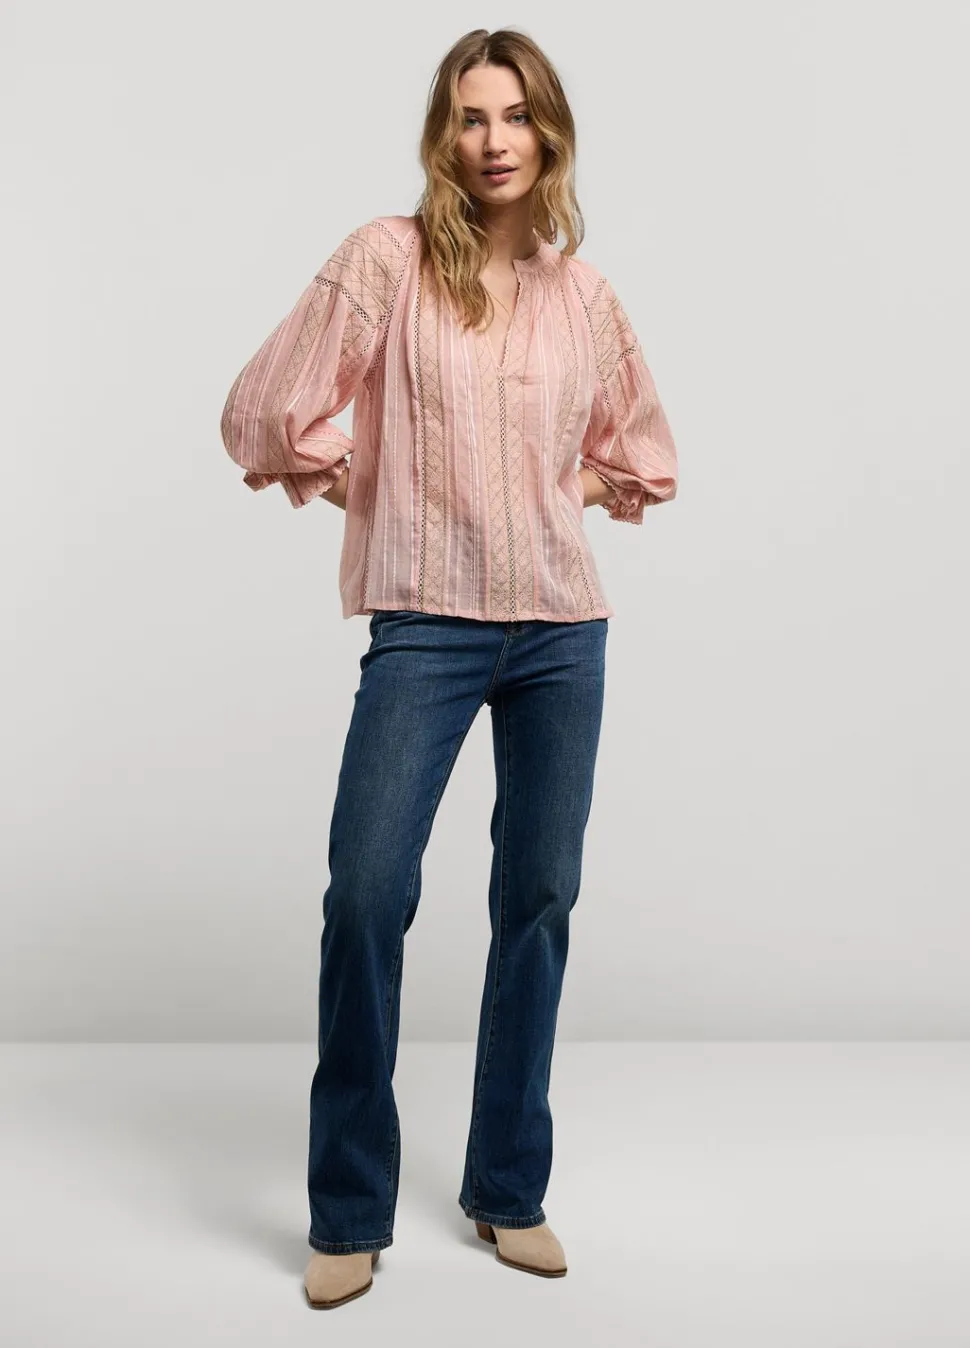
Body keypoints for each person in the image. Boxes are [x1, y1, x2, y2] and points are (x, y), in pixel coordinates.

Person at [219, 26, 678, 1311]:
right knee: (367, 894)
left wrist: (554, 493)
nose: (493, 140)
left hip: (560, 634)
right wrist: (371, 484)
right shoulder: (387, 259)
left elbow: (642, 455)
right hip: (424, 624)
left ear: (549, 133)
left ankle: (508, 1187)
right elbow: (261, 411)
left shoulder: (585, 295)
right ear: (443, 133)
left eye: (515, 115)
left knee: (536, 900)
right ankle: (347, 1207)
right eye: (471, 116)